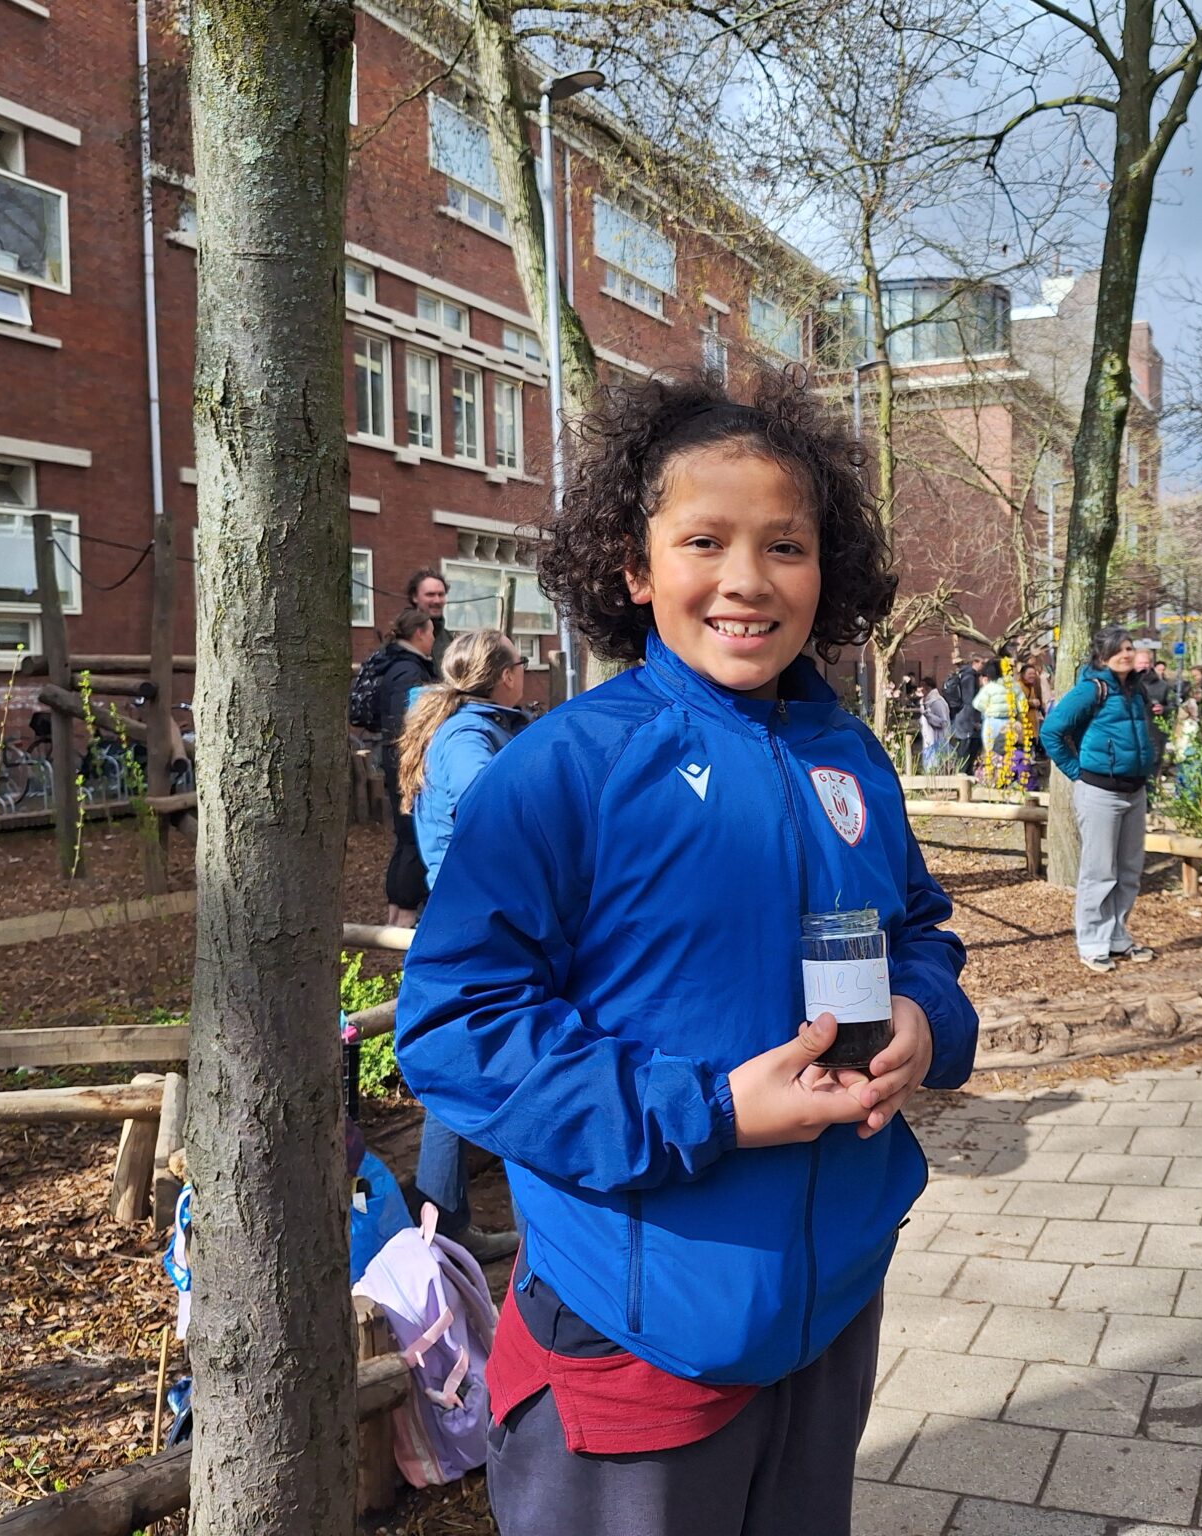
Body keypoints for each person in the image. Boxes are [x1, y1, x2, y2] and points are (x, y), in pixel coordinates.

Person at [394, 373, 977, 1536]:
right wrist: (709, 1108)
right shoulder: (564, 769)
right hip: (640, 1332)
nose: (748, 580)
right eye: (703, 540)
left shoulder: (848, 754)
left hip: (826, 1309)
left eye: (787, 545)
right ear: (633, 565)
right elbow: (457, 1030)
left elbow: (916, 929)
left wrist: (922, 1018)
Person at [394, 629, 530, 1263]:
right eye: (520, 664)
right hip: (481, 921)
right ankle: (525, 1234)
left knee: (463, 1065)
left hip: (471, 916)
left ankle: (445, 1222)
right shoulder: (470, 734)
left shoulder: (461, 725)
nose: (524, 673)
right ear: (502, 676)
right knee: (500, 1061)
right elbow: (489, 803)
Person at [1040, 623, 1158, 974]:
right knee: (1099, 871)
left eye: (1130, 647)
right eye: (1120, 649)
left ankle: (1117, 935)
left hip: (1134, 790)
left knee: (1129, 869)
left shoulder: (1136, 690)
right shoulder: (1091, 690)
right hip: (1100, 792)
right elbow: (1052, 732)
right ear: (1103, 656)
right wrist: (1077, 773)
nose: (1127, 653)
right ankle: (1092, 942)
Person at [378, 606, 438, 926]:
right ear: (419, 634)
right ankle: (402, 920)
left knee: (404, 838)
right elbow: (411, 720)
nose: (432, 638)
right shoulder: (409, 671)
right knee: (413, 837)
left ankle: (395, 917)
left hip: (396, 758)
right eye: (430, 632)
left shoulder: (395, 665)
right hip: (406, 761)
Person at [975, 660, 1016, 764]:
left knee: (991, 753)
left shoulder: (989, 687)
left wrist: (988, 708)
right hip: (1009, 722)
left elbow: (977, 704)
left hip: (992, 722)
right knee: (1008, 753)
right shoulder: (1012, 686)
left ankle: (993, 775)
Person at [408, 567, 453, 657]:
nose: (437, 600)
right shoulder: (403, 637)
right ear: (415, 597)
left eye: (441, 595)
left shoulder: (450, 641)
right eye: (430, 594)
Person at [918, 680, 951, 770]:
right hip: (929, 740)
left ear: (928, 688)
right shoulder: (926, 702)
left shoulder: (937, 702)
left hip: (937, 740)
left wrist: (928, 715)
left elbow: (943, 722)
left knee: (935, 766)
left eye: (922, 687)